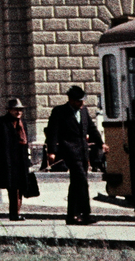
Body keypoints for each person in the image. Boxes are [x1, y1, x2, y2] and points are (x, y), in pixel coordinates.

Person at [45, 85, 104, 226]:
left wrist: (101, 144)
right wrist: (51, 152)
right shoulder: (59, 112)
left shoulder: (83, 112)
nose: (82, 103)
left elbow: (92, 128)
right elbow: (53, 132)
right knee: (82, 181)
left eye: (83, 100)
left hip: (83, 151)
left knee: (76, 183)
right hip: (69, 151)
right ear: (71, 100)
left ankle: (72, 215)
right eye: (79, 101)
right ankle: (85, 213)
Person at [0, 98, 34, 221]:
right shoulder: (0, 122)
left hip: (21, 160)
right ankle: (14, 214)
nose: (18, 112)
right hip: (8, 161)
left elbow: (25, 141)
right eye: (16, 110)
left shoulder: (22, 123)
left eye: (20, 110)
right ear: (9, 110)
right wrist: (2, 153)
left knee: (21, 187)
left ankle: (17, 212)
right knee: (13, 188)